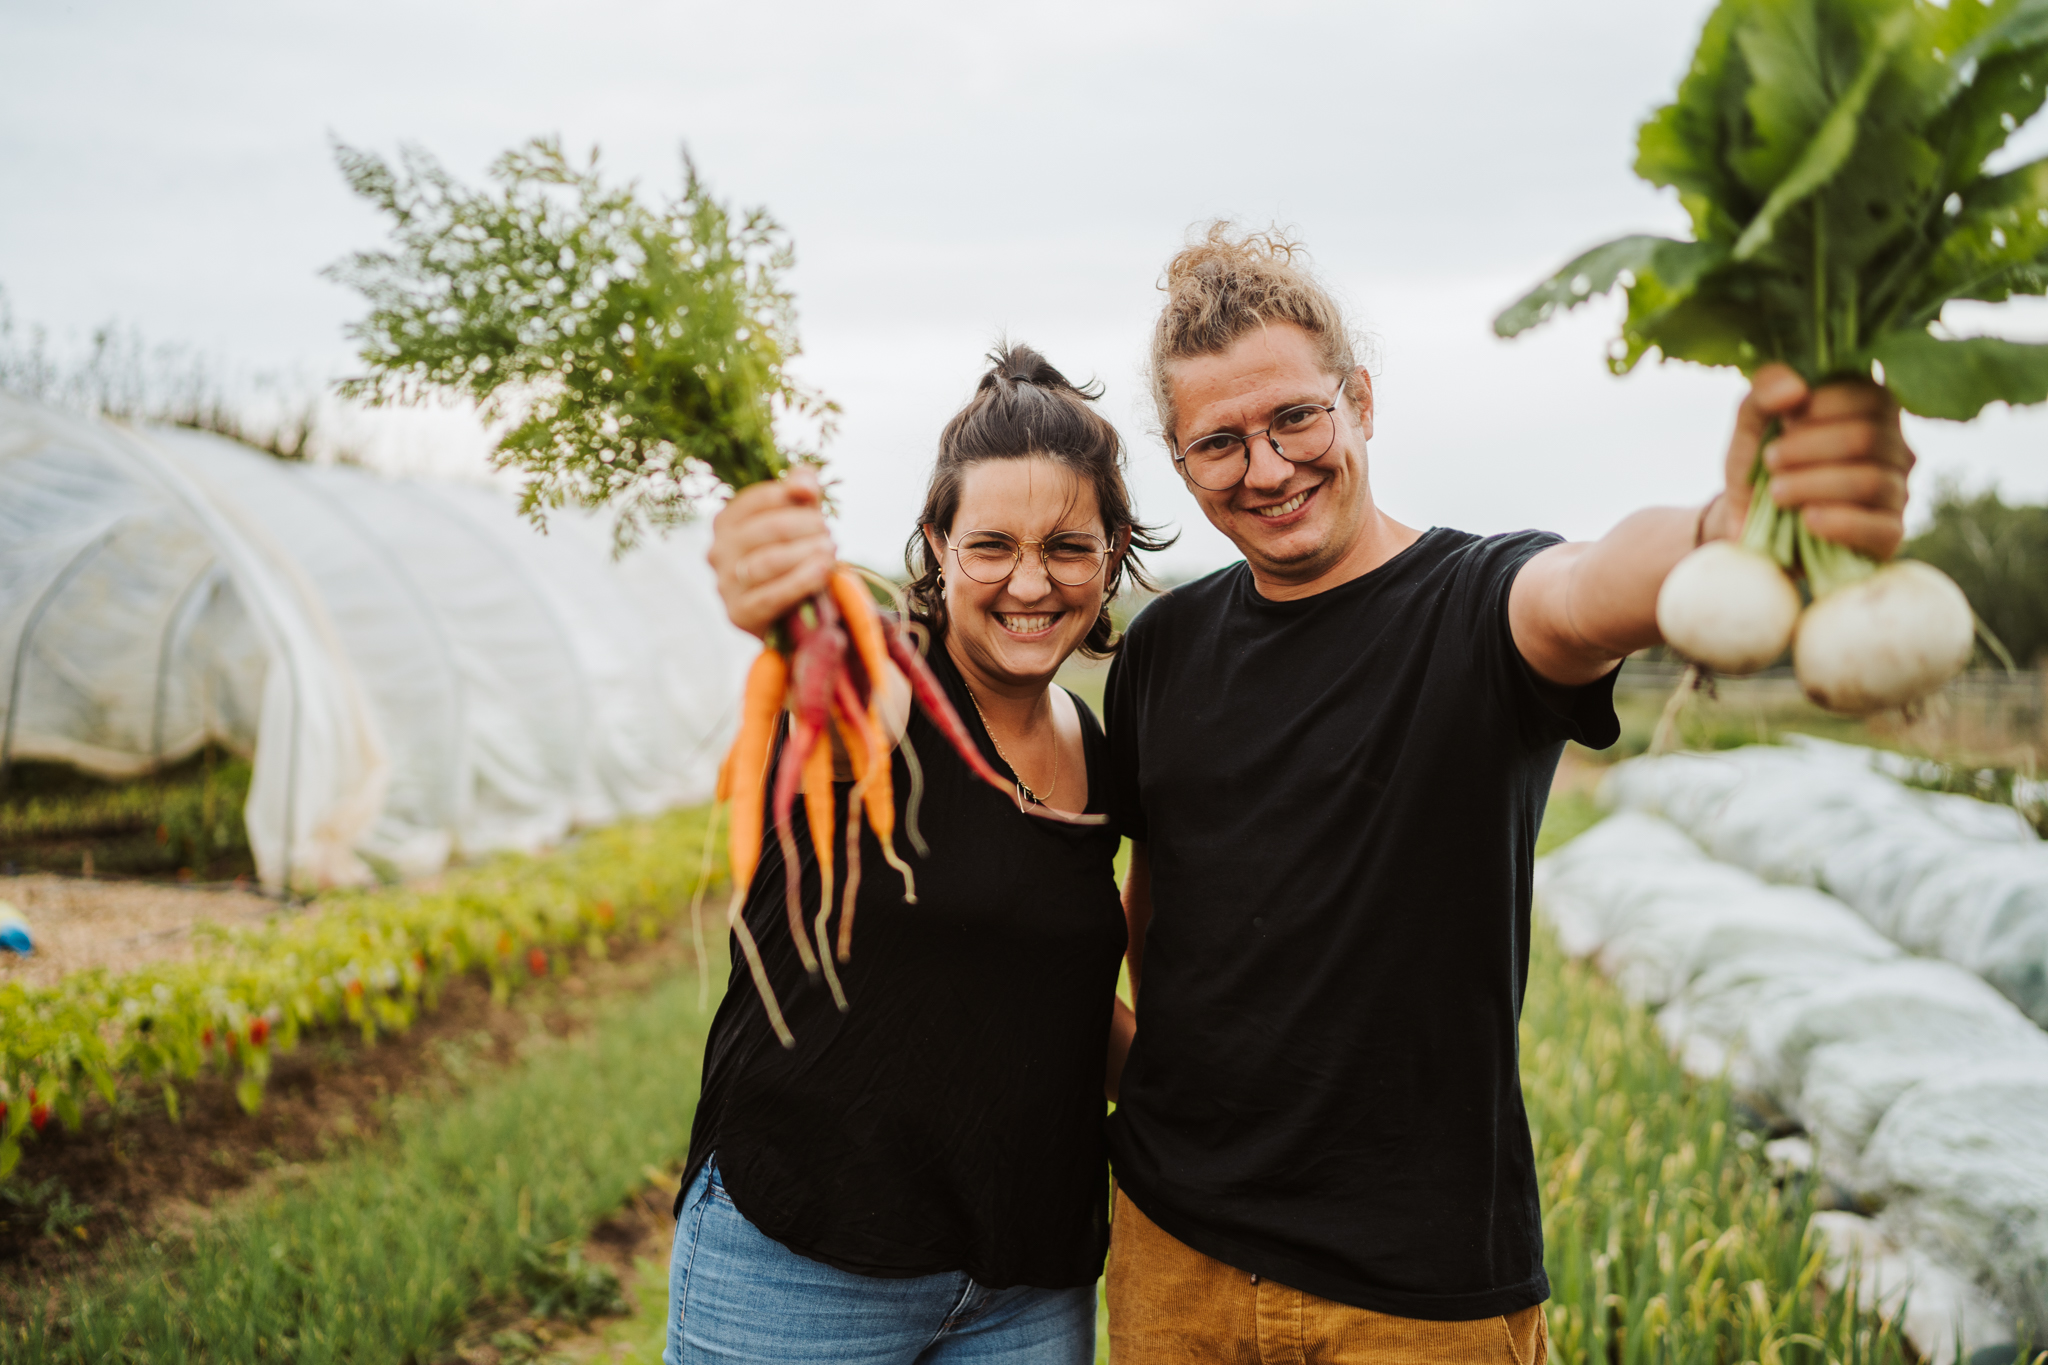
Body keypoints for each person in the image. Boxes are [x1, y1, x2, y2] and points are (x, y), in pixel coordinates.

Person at [1097, 226, 1913, 1364]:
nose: (1267, 467)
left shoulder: (1475, 608)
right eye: (1218, 442)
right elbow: (1147, 902)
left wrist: (1725, 531)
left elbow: (1587, 588)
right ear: (1180, 465)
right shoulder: (1165, 648)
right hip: (1170, 1252)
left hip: (1416, 1284)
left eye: (1294, 418)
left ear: (1360, 401)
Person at [666, 344, 1164, 1365]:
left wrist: (1213, 1094)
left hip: (1023, 1284)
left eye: (1067, 546)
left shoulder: (1097, 752)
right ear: (934, 548)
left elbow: (1056, 998)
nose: (1030, 581)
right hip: (804, 1261)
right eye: (990, 545)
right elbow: (801, 628)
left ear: (1111, 554)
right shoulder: (882, 681)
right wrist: (767, 582)